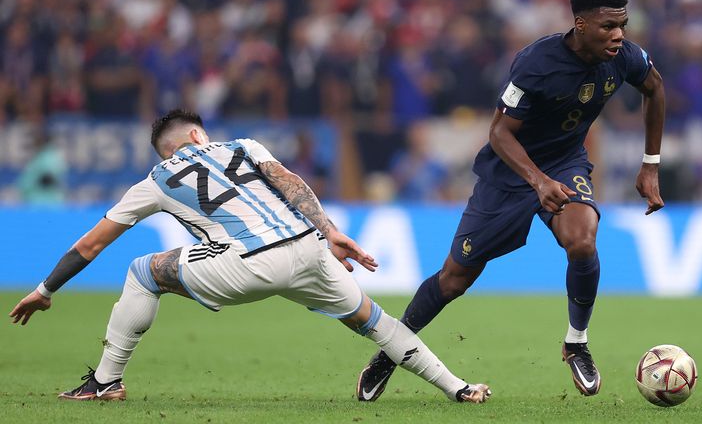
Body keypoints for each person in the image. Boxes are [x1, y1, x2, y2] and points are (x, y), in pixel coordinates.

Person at [9, 109, 491, 404]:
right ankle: (459, 387)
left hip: (247, 264)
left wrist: (44, 289)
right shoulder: (244, 145)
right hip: (309, 248)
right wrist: (332, 232)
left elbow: (90, 244)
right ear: (199, 135)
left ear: (165, 152)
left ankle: (105, 382)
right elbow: (292, 184)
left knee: (143, 271)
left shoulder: (155, 181)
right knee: (375, 321)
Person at [356, 0, 665, 401]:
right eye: (609, 26)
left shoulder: (624, 57)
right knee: (453, 279)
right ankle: (390, 354)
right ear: (580, 23)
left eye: (623, 26)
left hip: (565, 163)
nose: (619, 36)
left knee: (582, 240)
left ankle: (576, 342)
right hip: (509, 174)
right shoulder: (537, 63)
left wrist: (651, 166)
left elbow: (655, 88)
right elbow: (499, 133)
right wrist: (537, 181)